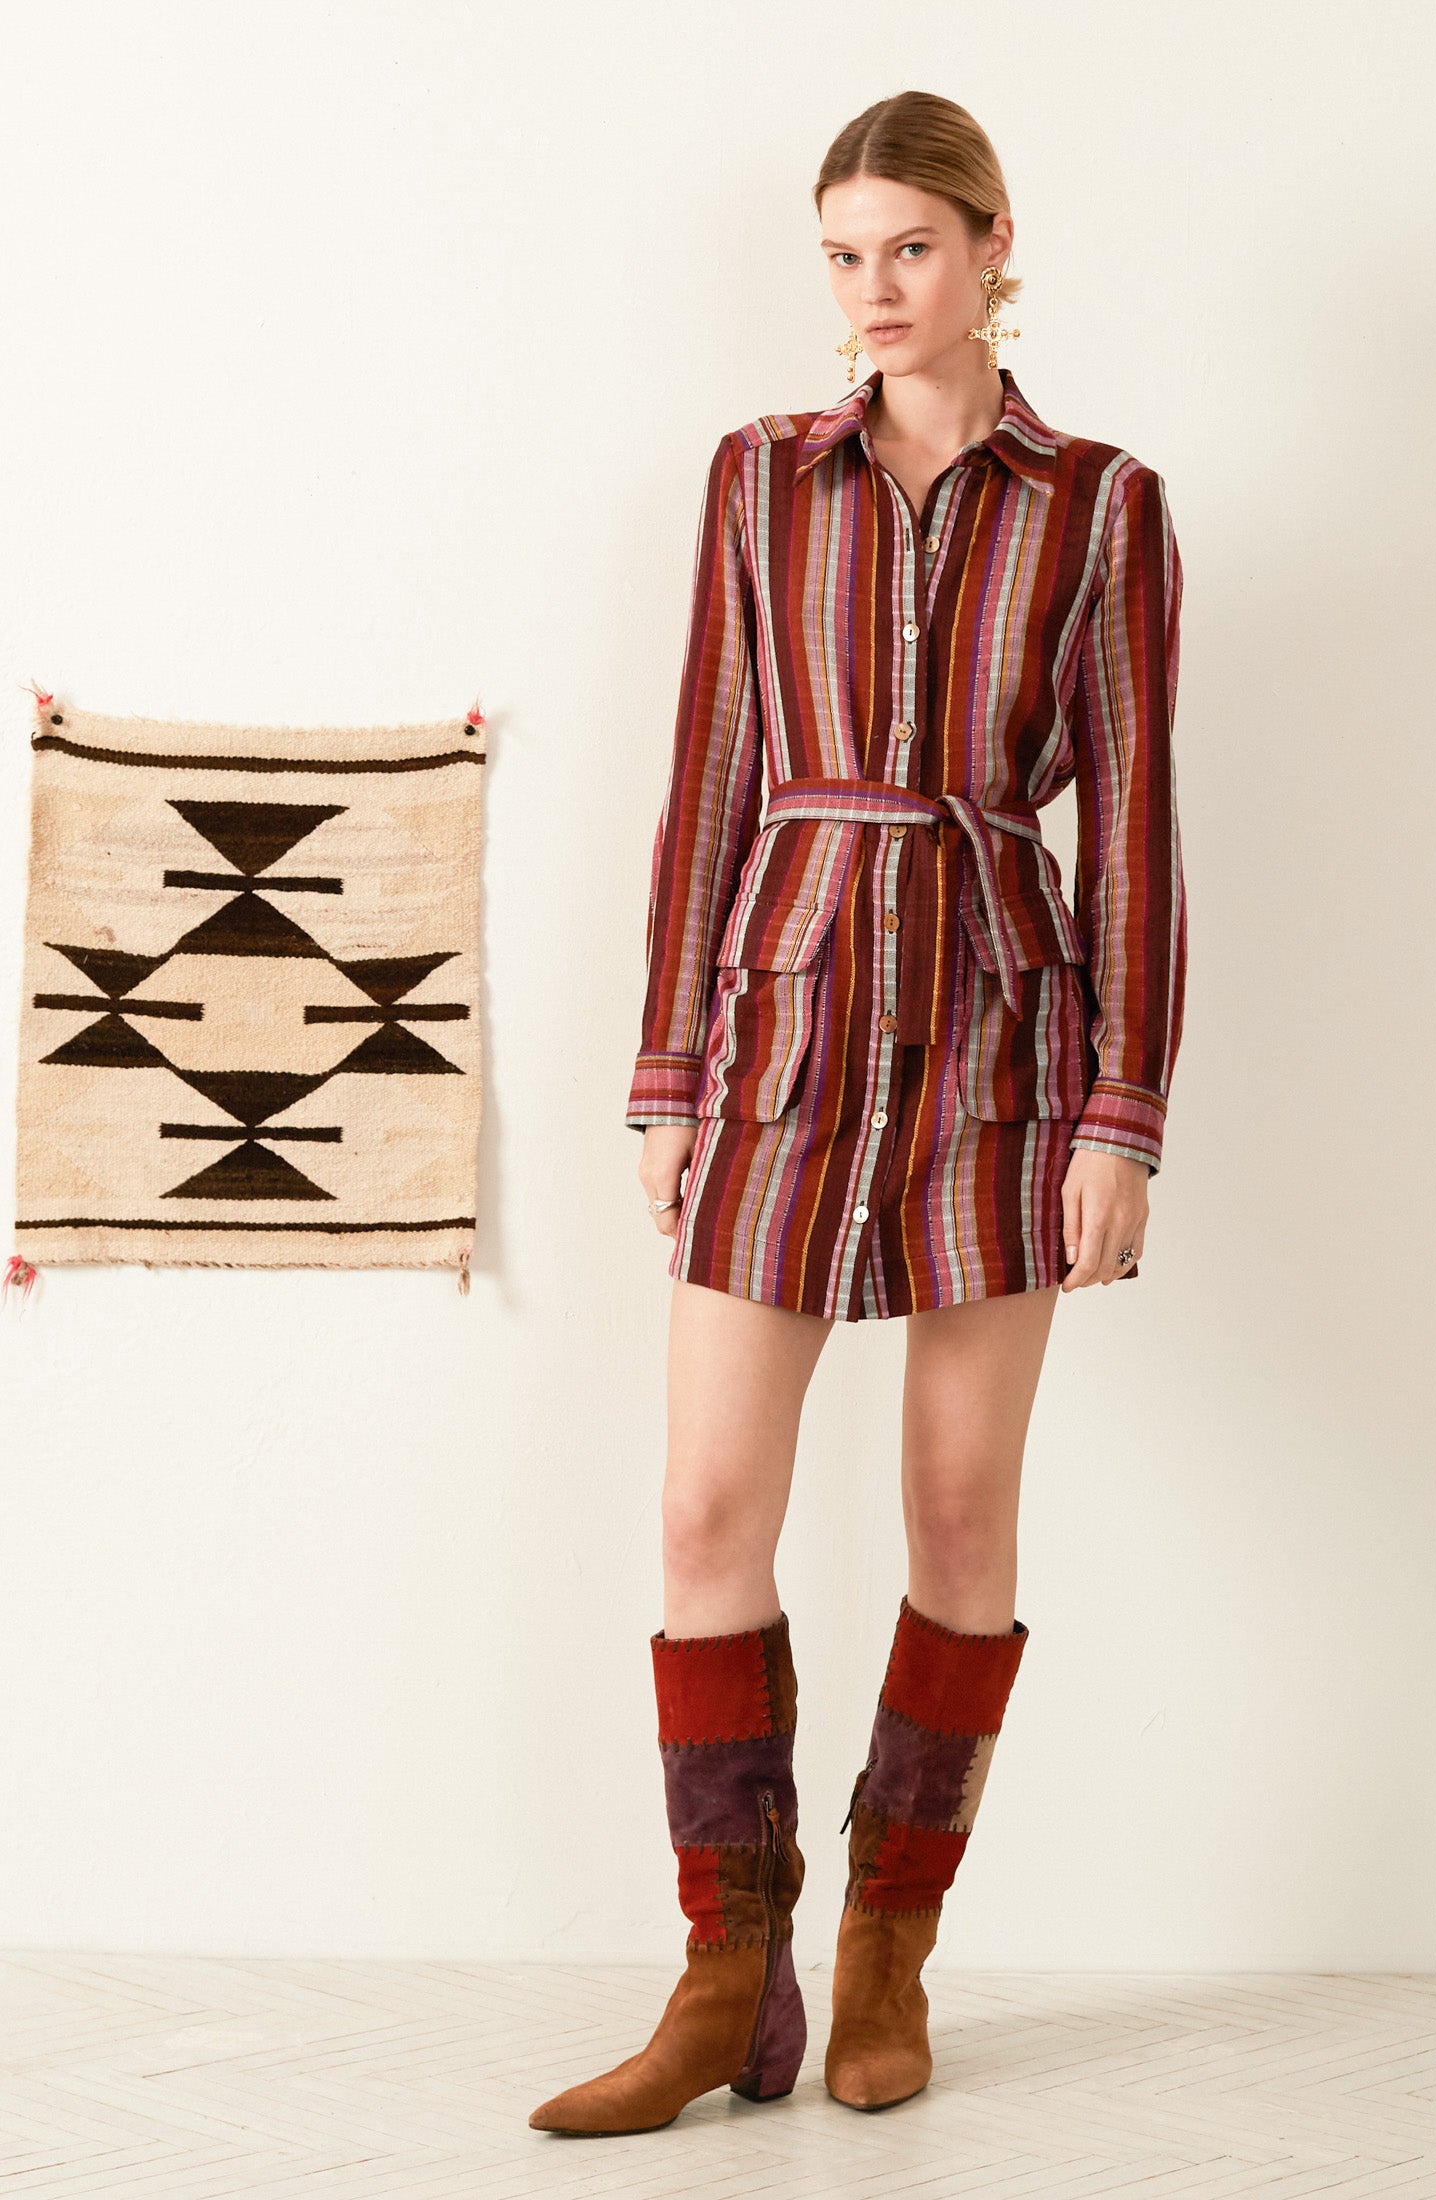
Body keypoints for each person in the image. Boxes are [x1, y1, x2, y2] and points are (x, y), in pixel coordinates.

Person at [529, 88, 1186, 2138]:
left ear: (995, 250)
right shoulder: (755, 482)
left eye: (908, 247)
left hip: (999, 1046)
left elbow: (1141, 826)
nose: (870, 291)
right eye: (840, 254)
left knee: (960, 1509)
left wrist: (1119, 1112)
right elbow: (706, 778)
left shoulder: (1098, 503)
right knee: (706, 1509)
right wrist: (664, 1071)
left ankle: (890, 1952)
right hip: (780, 1035)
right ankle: (731, 1979)